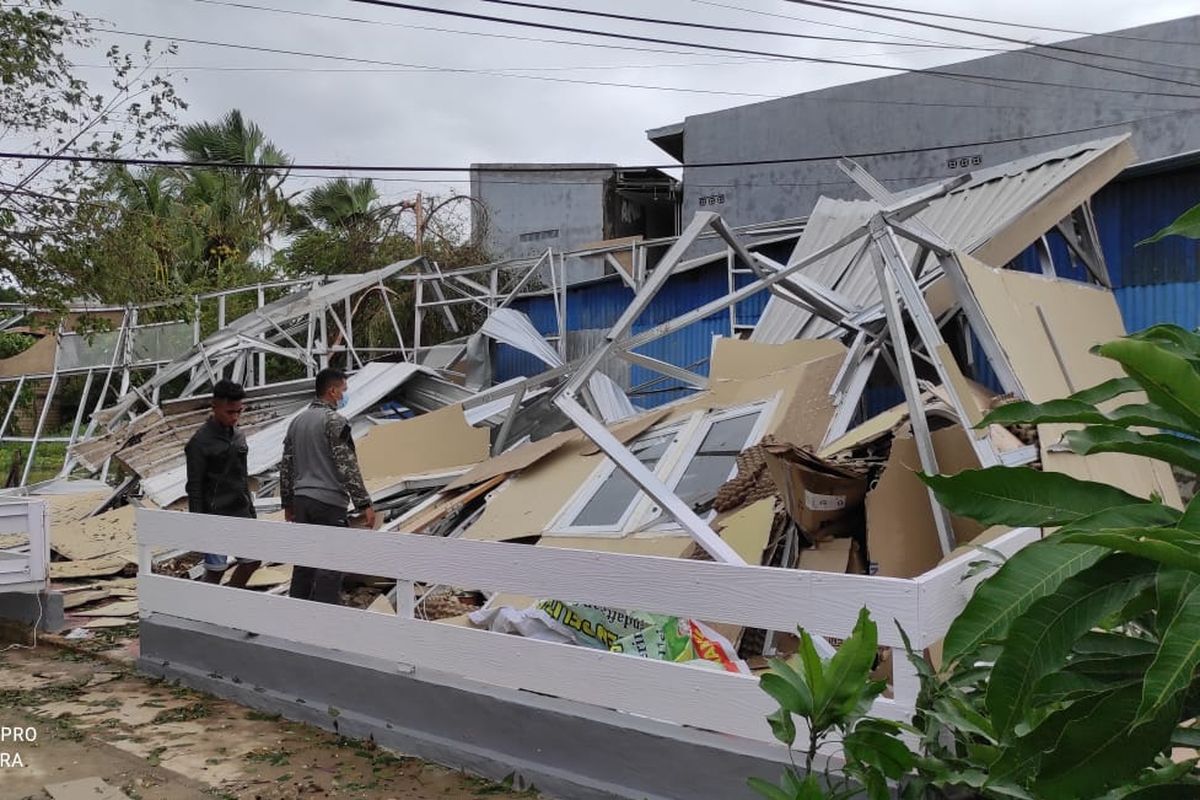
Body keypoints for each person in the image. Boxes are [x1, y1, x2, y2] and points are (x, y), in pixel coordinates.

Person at [279, 367, 376, 604]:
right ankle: (325, 621)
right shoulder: (334, 421)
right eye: (344, 390)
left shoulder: (297, 422)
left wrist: (287, 502)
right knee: (330, 563)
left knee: (304, 563)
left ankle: (296, 616)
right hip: (329, 502)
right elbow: (347, 465)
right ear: (332, 391)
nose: (345, 395)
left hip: (302, 501)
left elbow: (287, 466)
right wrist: (364, 503)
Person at [184, 379, 261, 587]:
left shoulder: (239, 437)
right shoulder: (199, 443)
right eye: (230, 412)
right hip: (214, 515)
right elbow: (195, 487)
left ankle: (228, 600)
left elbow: (243, 477)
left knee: (252, 561)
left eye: (239, 412)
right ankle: (204, 611)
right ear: (215, 407)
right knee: (216, 569)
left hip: (241, 512)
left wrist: (251, 512)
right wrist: (197, 524)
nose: (235, 417)